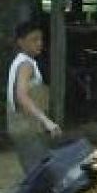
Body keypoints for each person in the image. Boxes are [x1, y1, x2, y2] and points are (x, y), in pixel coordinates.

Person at [6, 20, 61, 172]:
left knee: (37, 172)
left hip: (24, 127)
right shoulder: (26, 65)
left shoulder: (22, 62)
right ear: (21, 42)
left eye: (40, 39)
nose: (39, 43)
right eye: (34, 40)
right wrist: (46, 121)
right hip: (27, 128)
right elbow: (21, 96)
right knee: (37, 175)